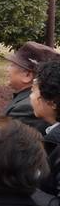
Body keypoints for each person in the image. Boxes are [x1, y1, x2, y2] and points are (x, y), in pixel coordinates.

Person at [4, 41, 58, 135]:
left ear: (27, 75)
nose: (7, 69)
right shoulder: (25, 99)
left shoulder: (28, 108)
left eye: (12, 65)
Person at [30, 59, 60, 198]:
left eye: (33, 91)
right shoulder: (48, 132)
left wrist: (26, 193)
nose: (30, 97)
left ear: (52, 102)